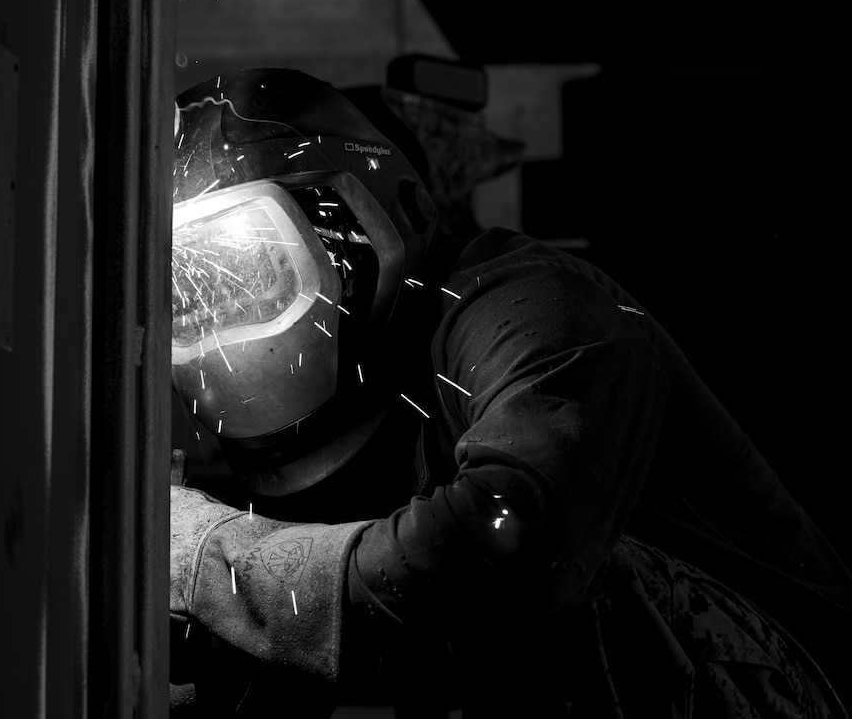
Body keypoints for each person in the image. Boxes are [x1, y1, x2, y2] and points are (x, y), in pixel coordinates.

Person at [168, 67, 852, 718]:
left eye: (250, 264)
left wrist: (215, 560)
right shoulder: (276, 451)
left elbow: (515, 549)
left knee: (562, 581)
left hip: (784, 683)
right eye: (192, 292)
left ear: (360, 216)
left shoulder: (530, 306)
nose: (220, 306)